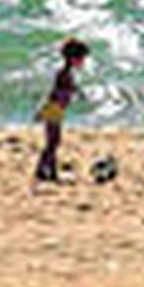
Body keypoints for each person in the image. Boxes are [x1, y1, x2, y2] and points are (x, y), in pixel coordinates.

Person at [35, 39, 88, 182]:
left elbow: (69, 87)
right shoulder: (64, 74)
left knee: (53, 141)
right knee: (53, 141)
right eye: (82, 59)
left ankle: (47, 170)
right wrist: (45, 110)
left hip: (57, 109)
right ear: (73, 59)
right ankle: (45, 170)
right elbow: (55, 92)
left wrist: (78, 92)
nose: (83, 63)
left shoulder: (66, 73)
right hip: (54, 109)